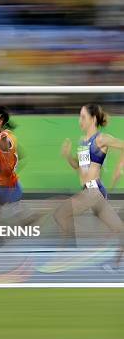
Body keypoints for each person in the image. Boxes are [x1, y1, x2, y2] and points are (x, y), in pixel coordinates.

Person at [55, 104, 124, 270]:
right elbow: (78, 167)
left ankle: (63, 257)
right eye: (79, 116)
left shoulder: (101, 139)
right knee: (119, 229)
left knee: (60, 214)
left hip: (94, 192)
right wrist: (67, 156)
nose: (80, 121)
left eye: (83, 117)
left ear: (93, 119)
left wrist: (119, 168)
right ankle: (115, 263)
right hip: (89, 191)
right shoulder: (82, 142)